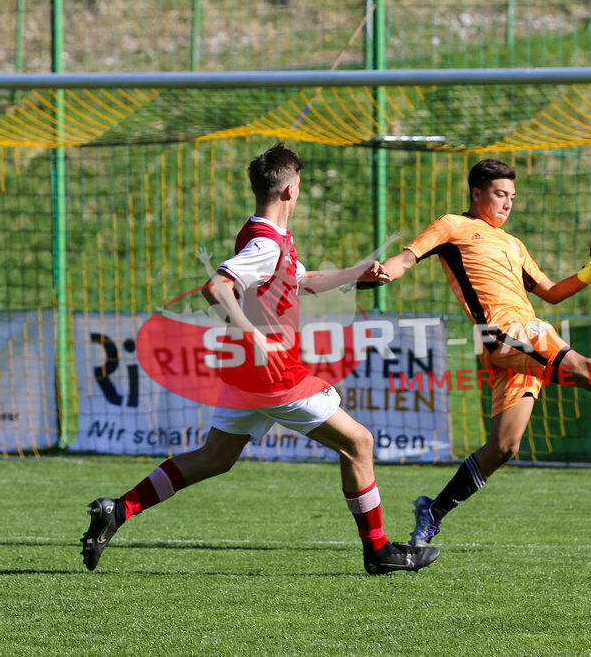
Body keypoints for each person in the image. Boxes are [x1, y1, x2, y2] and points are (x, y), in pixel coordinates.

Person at [80, 143, 439, 575]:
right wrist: (252, 334)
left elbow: (304, 280)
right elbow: (216, 288)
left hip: (246, 377)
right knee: (358, 443)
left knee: (215, 458)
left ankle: (118, 510)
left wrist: (355, 273)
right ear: (291, 190)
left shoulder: (269, 237)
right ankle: (378, 551)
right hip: (275, 376)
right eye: (300, 184)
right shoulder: (266, 244)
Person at [376, 158, 591, 547]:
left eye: (512, 197)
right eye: (500, 194)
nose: (507, 203)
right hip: (504, 332)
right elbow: (407, 258)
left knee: (504, 447)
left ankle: (433, 512)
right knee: (587, 369)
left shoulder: (513, 244)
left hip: (518, 339)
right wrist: (380, 272)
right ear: (477, 193)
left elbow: (549, 292)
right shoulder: (452, 226)